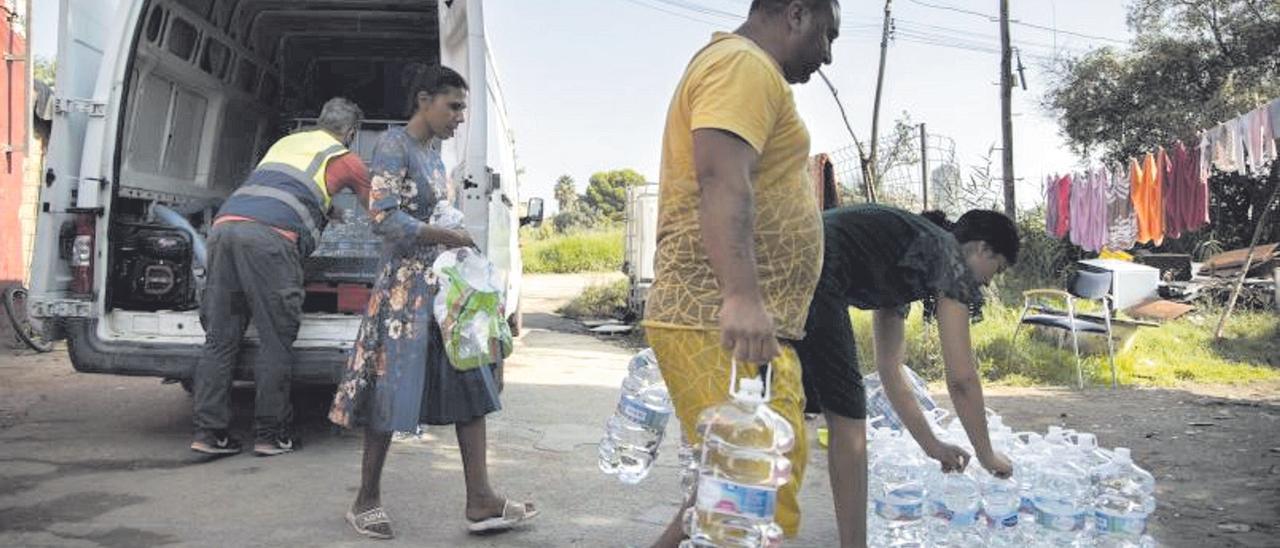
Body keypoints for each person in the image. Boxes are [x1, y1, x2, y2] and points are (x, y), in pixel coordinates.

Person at [641, 1, 840, 545]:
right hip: (714, 312)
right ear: (796, 13)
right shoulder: (742, 64)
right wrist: (742, 296)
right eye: (828, 35)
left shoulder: (748, 70)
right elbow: (721, 177)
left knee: (736, 483)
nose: (827, 55)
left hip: (742, 323)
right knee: (753, 495)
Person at [327, 65, 536, 540]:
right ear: (424, 100)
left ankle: (480, 499)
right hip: (402, 296)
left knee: (471, 383)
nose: (460, 118)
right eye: (454, 106)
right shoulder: (394, 146)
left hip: (441, 292)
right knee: (388, 391)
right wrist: (445, 233)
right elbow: (383, 217)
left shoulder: (434, 155)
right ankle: (366, 499)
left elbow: (427, 214)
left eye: (463, 108)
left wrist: (452, 240)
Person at [791, 204, 1018, 547]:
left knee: (770, 410)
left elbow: (889, 369)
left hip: (784, 256)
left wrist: (932, 445)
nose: (987, 282)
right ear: (982, 247)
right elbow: (962, 379)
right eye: (996, 269)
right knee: (849, 420)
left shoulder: (909, 258)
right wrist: (987, 455)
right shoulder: (947, 254)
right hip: (809, 265)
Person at [192, 97, 371, 457]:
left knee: (220, 339)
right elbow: (378, 212)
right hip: (270, 242)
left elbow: (280, 188)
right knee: (276, 339)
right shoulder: (347, 158)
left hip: (224, 231)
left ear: (320, 121)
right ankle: (271, 434)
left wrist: (325, 209)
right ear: (350, 132)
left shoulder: (286, 143)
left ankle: (210, 434)